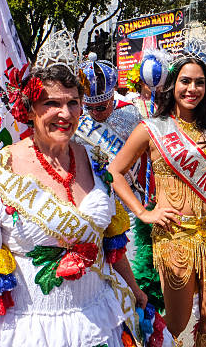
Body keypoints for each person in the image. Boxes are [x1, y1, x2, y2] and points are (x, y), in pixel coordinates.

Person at [0, 65, 149, 346]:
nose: (65, 113)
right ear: (28, 110)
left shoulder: (93, 159)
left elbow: (110, 241)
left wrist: (135, 289)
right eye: (51, 103)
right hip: (30, 329)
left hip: (98, 321)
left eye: (73, 103)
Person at [109, 55, 206, 346]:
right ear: (172, 85)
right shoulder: (151, 128)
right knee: (177, 320)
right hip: (174, 233)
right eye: (185, 81)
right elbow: (114, 171)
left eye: (200, 82)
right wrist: (142, 212)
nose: (192, 89)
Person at [74, 59, 145, 261]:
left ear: (112, 98)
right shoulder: (79, 123)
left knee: (132, 256)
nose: (95, 114)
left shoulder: (132, 114)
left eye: (101, 107)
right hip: (94, 197)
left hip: (127, 196)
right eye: (90, 108)